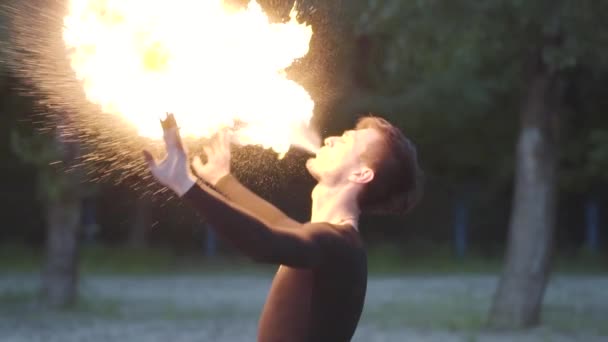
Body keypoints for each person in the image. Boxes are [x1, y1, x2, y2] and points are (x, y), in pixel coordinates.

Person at [143, 113, 423, 342]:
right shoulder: (335, 241)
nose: (331, 138)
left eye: (346, 140)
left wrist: (185, 184)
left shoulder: (336, 242)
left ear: (361, 174)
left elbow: (265, 243)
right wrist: (221, 179)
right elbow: (279, 225)